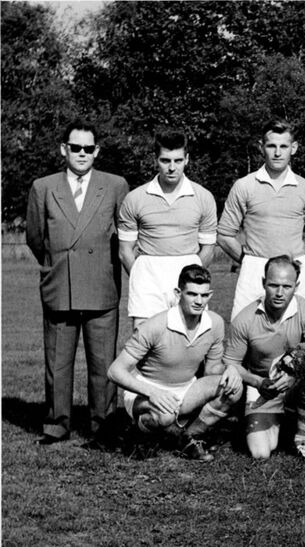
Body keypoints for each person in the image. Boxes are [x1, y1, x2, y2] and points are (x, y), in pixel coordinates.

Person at [26, 119, 129, 445]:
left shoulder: (115, 185)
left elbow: (125, 236)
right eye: (75, 148)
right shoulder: (43, 187)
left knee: (103, 365)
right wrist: (57, 264)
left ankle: (103, 427)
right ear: (64, 149)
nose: (82, 153)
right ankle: (57, 425)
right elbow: (35, 237)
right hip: (61, 285)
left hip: (101, 286)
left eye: (88, 148)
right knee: (57, 364)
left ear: (97, 151)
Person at [107, 265, 243, 461]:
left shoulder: (215, 323)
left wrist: (230, 369)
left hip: (185, 389)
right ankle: (139, 434)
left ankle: (190, 437)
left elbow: (212, 370)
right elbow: (115, 371)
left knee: (234, 388)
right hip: (146, 389)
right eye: (192, 294)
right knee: (166, 415)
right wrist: (153, 392)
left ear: (210, 295)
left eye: (204, 295)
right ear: (178, 293)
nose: (199, 301)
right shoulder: (155, 325)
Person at [222, 256, 305, 464]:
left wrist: (295, 375)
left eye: (286, 286)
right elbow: (231, 363)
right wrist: (258, 382)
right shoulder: (245, 318)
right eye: (273, 285)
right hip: (263, 386)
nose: (279, 292)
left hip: (296, 383)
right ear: (263, 283)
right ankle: (279, 417)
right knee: (260, 452)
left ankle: (303, 438)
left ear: (296, 286)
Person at [218, 119, 305, 319]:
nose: (277, 153)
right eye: (271, 146)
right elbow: (224, 236)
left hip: (295, 273)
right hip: (254, 273)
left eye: (283, 146)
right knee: (245, 329)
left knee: (302, 331)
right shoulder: (244, 186)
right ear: (261, 147)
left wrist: (292, 265)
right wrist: (249, 261)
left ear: (294, 148)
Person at [117, 130, 217, 328]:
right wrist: (140, 276)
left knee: (190, 338)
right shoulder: (135, 198)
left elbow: (208, 249)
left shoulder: (204, 197)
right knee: (145, 339)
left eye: (178, 161)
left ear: (187, 159)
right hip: (148, 275)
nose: (172, 168)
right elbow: (125, 251)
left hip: (188, 272)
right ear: (156, 160)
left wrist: (192, 278)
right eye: (165, 160)